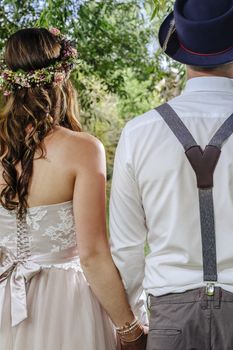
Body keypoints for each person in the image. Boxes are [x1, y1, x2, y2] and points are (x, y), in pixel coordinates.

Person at [0, 27, 146, 350]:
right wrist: (130, 329)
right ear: (62, 81)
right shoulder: (84, 150)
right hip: (67, 307)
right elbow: (92, 255)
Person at [110, 0, 233, 349]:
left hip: (170, 320)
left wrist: (132, 321)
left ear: (182, 48)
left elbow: (127, 247)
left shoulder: (139, 132)